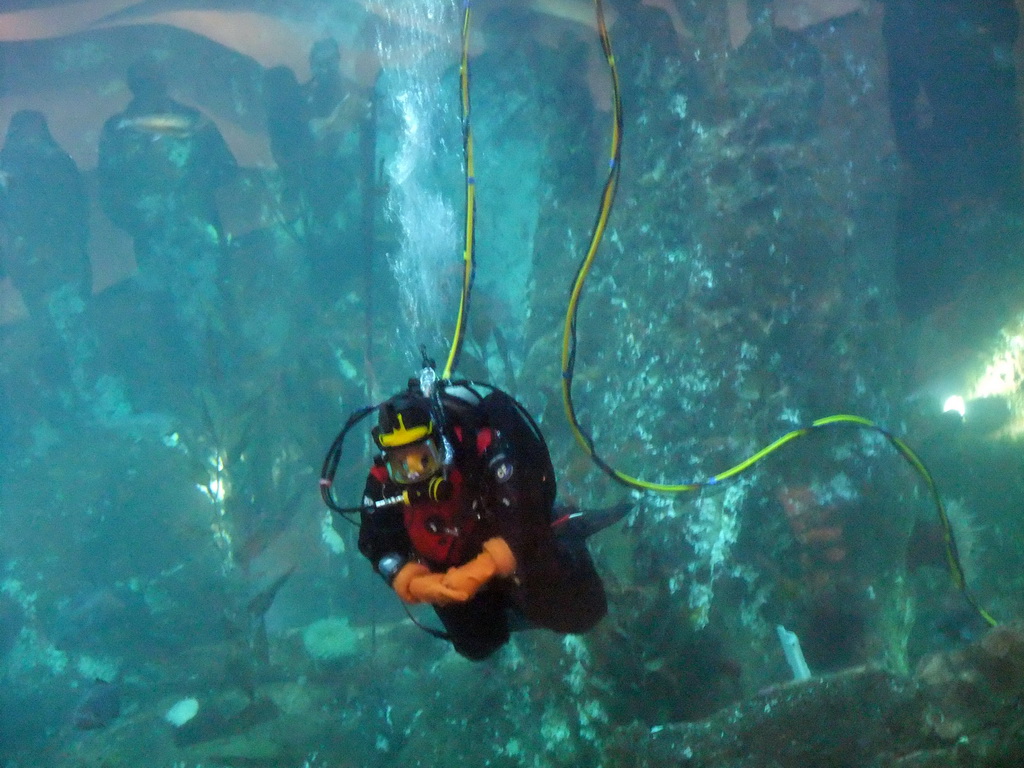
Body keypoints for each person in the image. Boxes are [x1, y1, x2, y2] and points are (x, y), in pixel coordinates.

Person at [357, 377, 628, 660]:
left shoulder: (479, 447)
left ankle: (566, 533)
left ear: (441, 443)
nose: (415, 475)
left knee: (583, 613)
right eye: (402, 464)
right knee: (477, 645)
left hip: (512, 541)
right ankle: (507, 606)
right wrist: (412, 581)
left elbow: (523, 512)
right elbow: (374, 543)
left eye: (424, 458)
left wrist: (486, 566)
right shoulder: (383, 482)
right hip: (452, 565)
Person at [97, 57, 237, 374]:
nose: (152, 88)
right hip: (154, 247)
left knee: (213, 314)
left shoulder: (192, 121)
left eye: (157, 80)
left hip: (201, 243)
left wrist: (195, 187)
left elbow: (227, 168)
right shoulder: (118, 131)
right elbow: (109, 193)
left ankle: (226, 379)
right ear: (134, 87)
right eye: (144, 82)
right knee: (168, 321)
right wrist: (140, 221)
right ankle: (192, 389)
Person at [0, 110, 95, 411]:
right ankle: (67, 397)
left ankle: (86, 392)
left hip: (67, 263)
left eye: (38, 130)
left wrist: (73, 250)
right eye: (27, 131)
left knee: (78, 326)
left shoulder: (59, 163)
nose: (34, 137)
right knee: (51, 331)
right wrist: (17, 258)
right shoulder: (7, 168)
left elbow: (77, 211)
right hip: (35, 267)